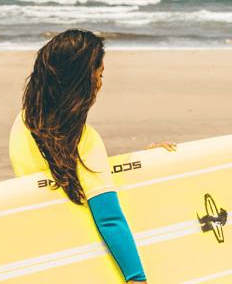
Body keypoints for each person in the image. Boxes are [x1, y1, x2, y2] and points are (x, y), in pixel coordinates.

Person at [9, 29, 176, 283]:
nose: (100, 83)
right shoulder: (84, 140)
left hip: (45, 254)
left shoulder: (23, 123)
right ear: (81, 81)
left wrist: (143, 165)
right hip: (87, 261)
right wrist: (137, 278)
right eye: (98, 74)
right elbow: (109, 219)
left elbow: (63, 178)